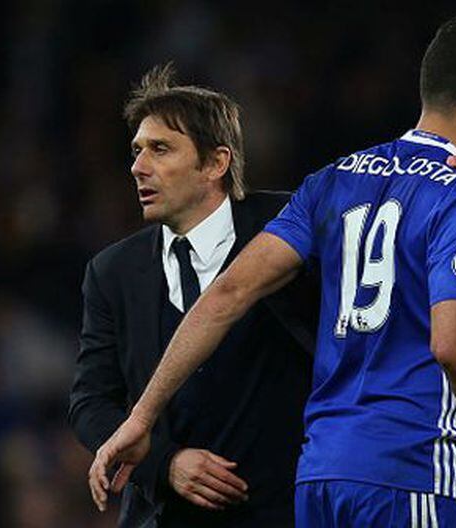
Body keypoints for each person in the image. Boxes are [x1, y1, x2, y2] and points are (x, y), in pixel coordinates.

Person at [88, 13, 456, 528]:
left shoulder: (332, 181)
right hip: (412, 471)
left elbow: (226, 294)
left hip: (319, 481)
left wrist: (141, 416)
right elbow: (455, 346)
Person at [68, 64, 321, 528]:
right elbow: (90, 403)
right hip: (166, 517)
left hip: (285, 509)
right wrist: (164, 463)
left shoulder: (289, 228)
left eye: (160, 149)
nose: (138, 167)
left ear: (215, 163)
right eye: (137, 150)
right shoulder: (112, 272)